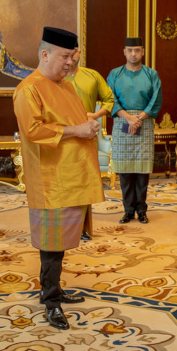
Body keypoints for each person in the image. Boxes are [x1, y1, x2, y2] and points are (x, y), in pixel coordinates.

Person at [13, 27, 103, 330]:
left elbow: (70, 119)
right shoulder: (29, 88)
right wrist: (78, 130)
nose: (70, 63)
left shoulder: (64, 86)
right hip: (51, 180)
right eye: (65, 57)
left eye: (73, 57)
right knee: (51, 244)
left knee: (61, 241)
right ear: (45, 54)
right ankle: (51, 301)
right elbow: (34, 130)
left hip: (72, 174)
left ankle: (54, 289)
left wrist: (88, 123)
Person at [107, 38, 162, 225]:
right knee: (124, 171)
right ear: (124, 51)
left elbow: (155, 99)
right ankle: (128, 211)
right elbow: (111, 99)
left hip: (144, 122)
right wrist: (129, 118)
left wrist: (138, 118)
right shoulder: (115, 74)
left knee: (142, 171)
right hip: (123, 122)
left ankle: (142, 210)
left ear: (143, 51)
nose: (133, 54)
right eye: (130, 50)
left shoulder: (151, 74)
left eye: (137, 50)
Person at [66, 62, 115, 241]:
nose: (71, 55)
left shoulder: (92, 76)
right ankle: (66, 226)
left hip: (87, 136)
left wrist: (95, 116)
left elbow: (110, 100)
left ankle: (83, 227)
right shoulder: (56, 75)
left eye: (75, 50)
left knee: (85, 181)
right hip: (64, 136)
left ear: (79, 53)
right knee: (67, 181)